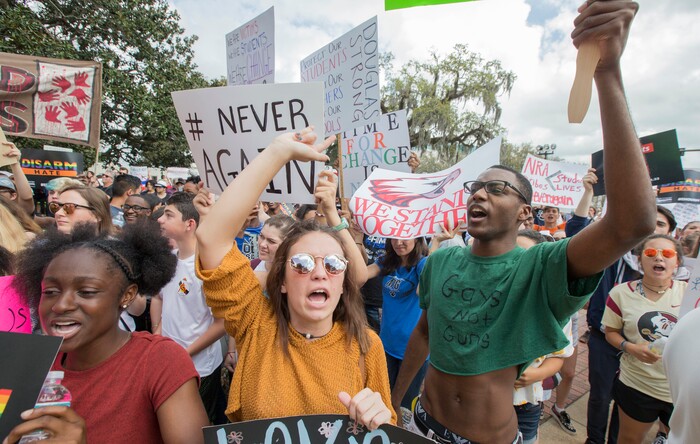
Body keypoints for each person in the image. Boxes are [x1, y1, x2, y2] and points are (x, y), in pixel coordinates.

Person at [391, 3, 656, 443]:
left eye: (496, 190)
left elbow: (632, 222)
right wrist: (397, 402)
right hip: (421, 425)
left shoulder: (541, 267)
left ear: (524, 214)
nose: (479, 193)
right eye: (476, 187)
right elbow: (424, 332)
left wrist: (606, 74)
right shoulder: (441, 260)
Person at [194, 128, 395, 428]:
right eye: (301, 263)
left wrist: (381, 422)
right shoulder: (255, 323)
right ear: (283, 280)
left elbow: (387, 428)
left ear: (342, 283)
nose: (318, 272)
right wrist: (277, 152)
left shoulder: (367, 345)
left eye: (332, 264)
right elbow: (211, 238)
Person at [5, 222, 209, 443]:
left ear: (127, 295)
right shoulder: (24, 364)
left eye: (86, 292)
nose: (60, 305)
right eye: (51, 291)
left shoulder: (159, 361)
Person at [602, 234, 684, 443]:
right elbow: (610, 333)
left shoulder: (690, 294)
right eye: (650, 253)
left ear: (678, 262)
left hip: (681, 390)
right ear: (639, 260)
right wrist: (629, 347)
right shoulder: (620, 294)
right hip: (637, 384)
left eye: (666, 253)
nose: (659, 258)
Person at [154, 192, 226, 424]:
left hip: (200, 368)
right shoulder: (169, 259)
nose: (160, 220)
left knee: (200, 425)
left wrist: (185, 353)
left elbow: (222, 323)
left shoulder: (207, 267)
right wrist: (158, 334)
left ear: (189, 224)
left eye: (168, 215)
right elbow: (161, 299)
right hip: (168, 361)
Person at [513, 229, 573, 444]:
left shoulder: (555, 311)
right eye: (510, 254)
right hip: (483, 400)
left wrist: (537, 374)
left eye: (525, 256)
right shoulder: (484, 299)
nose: (516, 262)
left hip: (525, 405)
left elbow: (558, 356)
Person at [367, 237, 429, 411]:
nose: (398, 242)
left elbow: (422, 291)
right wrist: (352, 237)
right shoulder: (387, 262)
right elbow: (360, 275)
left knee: (402, 405)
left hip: (412, 351)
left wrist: (436, 243)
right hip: (386, 344)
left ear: (417, 239)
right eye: (394, 238)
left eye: (404, 238)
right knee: (381, 398)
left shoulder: (422, 263)